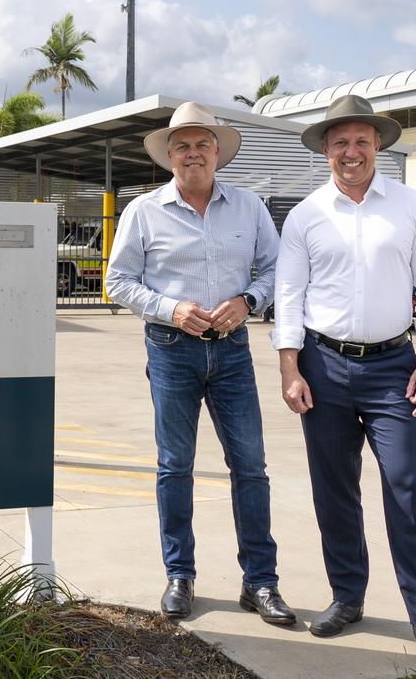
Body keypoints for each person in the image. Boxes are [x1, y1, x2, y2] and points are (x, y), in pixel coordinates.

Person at [272, 94, 416, 671]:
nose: (351, 152)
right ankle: (347, 598)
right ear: (326, 150)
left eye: (361, 141)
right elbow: (288, 297)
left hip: (392, 369)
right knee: (334, 490)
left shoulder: (411, 208)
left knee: (406, 487)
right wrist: (290, 367)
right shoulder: (306, 216)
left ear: (378, 144)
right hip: (323, 368)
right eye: (340, 142)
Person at [106, 101, 294, 625]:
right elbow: (117, 282)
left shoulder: (249, 207)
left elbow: (277, 268)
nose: (194, 154)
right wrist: (172, 309)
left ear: (218, 153)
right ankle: (180, 575)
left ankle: (260, 582)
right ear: (170, 155)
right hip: (171, 351)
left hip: (232, 351)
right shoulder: (143, 212)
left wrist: (249, 302)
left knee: (250, 467)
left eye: (203, 144)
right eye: (183, 145)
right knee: (175, 466)